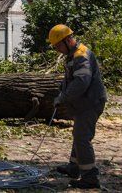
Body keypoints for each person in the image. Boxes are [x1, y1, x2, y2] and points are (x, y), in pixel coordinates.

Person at [48, 24, 107, 189]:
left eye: (58, 45)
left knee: (82, 138)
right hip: (84, 103)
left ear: (67, 40)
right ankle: (74, 168)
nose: (58, 49)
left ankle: (90, 177)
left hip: (90, 103)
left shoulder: (81, 55)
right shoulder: (73, 54)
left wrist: (64, 97)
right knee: (78, 134)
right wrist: (63, 88)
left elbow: (82, 81)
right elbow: (72, 78)